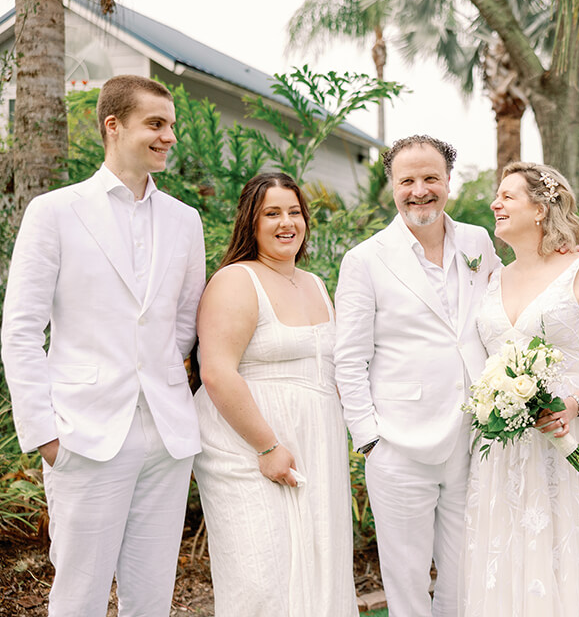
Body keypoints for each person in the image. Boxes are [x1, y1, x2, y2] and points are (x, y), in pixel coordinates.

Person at [0, 75, 205, 615]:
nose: (169, 137)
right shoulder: (55, 212)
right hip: (82, 434)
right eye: (155, 124)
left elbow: (184, 323)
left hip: (165, 434)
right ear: (113, 127)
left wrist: (158, 377)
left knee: (152, 594)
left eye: (171, 126)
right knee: (79, 595)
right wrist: (44, 433)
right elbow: (20, 329)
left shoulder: (186, 221)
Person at [462, 162, 579, 616]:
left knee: (570, 556)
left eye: (507, 196)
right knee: (511, 556)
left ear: (540, 209)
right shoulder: (494, 277)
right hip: (506, 451)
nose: (495, 204)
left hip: (572, 443)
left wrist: (574, 404)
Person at [334, 135, 499, 617]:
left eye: (431, 178)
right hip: (398, 443)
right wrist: (369, 439)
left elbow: (497, 317)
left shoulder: (477, 241)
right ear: (392, 186)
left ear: (449, 181)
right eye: (408, 180)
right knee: (405, 578)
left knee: (464, 568)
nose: (420, 190)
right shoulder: (365, 259)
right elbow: (349, 357)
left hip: (472, 436)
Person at [192, 172, 356, 616]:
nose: (287, 222)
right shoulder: (236, 280)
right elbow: (217, 371)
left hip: (314, 444)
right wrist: (266, 446)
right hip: (247, 447)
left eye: (294, 212)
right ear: (251, 222)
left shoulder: (317, 284)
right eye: (272, 213)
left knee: (319, 569)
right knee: (262, 576)